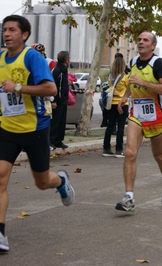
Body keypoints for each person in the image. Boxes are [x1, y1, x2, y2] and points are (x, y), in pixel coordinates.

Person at [0, 15, 75, 253]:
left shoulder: (32, 57)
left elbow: (50, 88)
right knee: (0, 177)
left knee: (42, 182)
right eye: (4, 30)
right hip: (8, 128)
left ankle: (62, 181)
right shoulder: (1, 58)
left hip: (36, 128)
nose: (7, 34)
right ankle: (0, 234)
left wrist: (19, 87)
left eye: (12, 30)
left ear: (24, 35)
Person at [115, 31, 162, 212]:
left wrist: (145, 83)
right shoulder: (132, 62)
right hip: (136, 114)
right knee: (130, 153)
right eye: (139, 39)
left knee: (159, 156)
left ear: (153, 45)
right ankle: (129, 197)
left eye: (145, 40)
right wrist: (125, 97)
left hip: (156, 117)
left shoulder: (158, 63)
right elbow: (132, 83)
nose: (141, 42)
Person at [102, 56, 129, 158]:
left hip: (111, 103)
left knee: (110, 125)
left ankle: (106, 148)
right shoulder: (125, 77)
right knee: (120, 127)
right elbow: (128, 89)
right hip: (122, 103)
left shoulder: (110, 77)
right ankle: (119, 149)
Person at [50, 51, 71, 150]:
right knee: (55, 121)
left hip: (63, 99)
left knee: (62, 121)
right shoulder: (57, 70)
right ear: (66, 60)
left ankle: (59, 140)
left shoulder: (64, 70)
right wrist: (53, 100)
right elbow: (53, 85)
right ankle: (51, 140)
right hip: (57, 100)